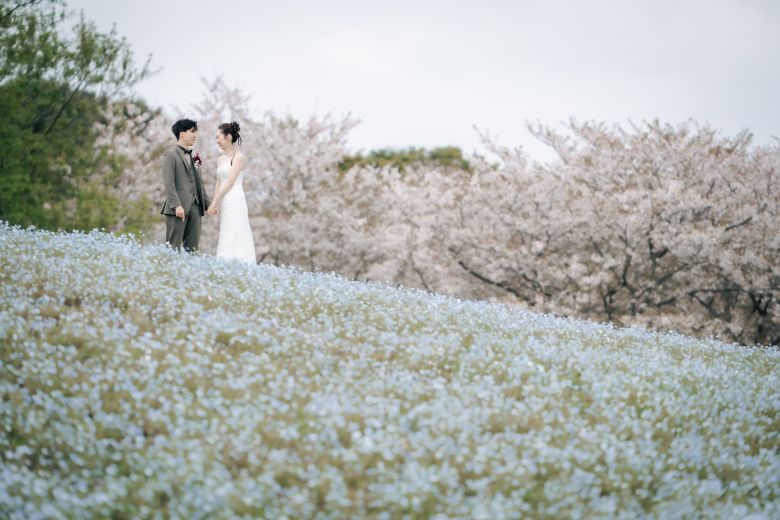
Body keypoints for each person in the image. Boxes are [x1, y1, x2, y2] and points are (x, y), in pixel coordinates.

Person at [160, 118, 212, 252]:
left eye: (196, 132)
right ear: (182, 133)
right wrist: (176, 205)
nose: (195, 135)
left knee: (193, 249)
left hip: (196, 206)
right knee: (173, 247)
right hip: (177, 208)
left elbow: (199, 182)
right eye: (192, 131)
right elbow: (169, 183)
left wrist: (208, 204)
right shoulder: (170, 156)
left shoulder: (195, 156)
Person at [207, 121, 256, 263]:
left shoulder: (239, 158)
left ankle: (241, 264)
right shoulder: (220, 159)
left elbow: (230, 181)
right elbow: (219, 182)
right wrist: (215, 202)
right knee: (226, 231)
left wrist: (216, 200)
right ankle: (224, 263)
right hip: (225, 200)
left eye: (218, 137)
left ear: (228, 137)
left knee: (237, 230)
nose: (216, 141)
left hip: (235, 199)